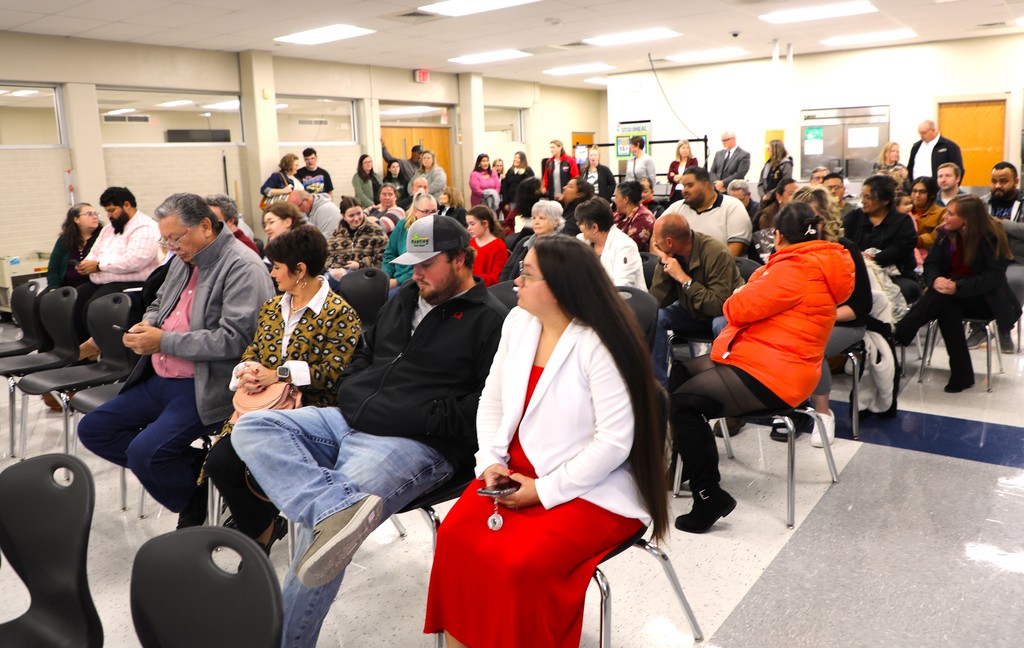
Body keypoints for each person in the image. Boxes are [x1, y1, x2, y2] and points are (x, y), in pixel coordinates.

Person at [231, 215, 508, 648]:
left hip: (417, 443)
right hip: (352, 418)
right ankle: (333, 509)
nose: (414, 274)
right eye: (410, 264)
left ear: (459, 259)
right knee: (253, 427)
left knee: (319, 538)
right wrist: (353, 391)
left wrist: (414, 414)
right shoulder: (404, 300)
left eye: (426, 264)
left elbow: (487, 408)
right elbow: (364, 353)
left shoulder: (492, 321)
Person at [423, 235, 668, 648]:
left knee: (519, 565)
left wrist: (544, 490)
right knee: (454, 539)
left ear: (558, 288)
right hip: (514, 473)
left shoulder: (599, 344)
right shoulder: (519, 323)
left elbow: (612, 444)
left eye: (527, 274)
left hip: (588, 485)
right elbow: (492, 400)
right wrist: (489, 463)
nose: (515, 281)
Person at [77, 193, 274, 529]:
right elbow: (158, 304)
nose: (171, 247)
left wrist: (164, 340)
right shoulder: (185, 260)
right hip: (161, 378)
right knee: (95, 429)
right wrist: (149, 324)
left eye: (175, 238)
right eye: (165, 239)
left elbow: (236, 339)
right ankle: (208, 482)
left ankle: (204, 497)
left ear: (206, 227)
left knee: (146, 453)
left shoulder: (243, 266)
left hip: (205, 383)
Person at [670, 202, 854, 533]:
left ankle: (708, 495)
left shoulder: (793, 268)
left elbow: (735, 307)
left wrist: (746, 288)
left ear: (779, 235)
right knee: (681, 372)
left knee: (683, 405)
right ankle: (687, 462)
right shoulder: (817, 262)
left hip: (775, 374)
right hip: (771, 361)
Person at [205, 225, 361, 555]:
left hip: (311, 414)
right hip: (263, 407)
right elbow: (254, 351)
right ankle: (263, 525)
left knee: (255, 465)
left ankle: (258, 538)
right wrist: (247, 371)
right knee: (220, 462)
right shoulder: (273, 308)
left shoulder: (340, 314)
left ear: (300, 270)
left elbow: (332, 374)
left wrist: (275, 374)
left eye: (277, 267)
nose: (272, 273)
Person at [894, 195, 1020, 391]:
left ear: (968, 219)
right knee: (948, 309)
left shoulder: (991, 237)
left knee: (945, 295)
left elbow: (991, 278)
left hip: (985, 298)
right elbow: (932, 264)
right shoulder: (945, 234)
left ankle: (901, 331)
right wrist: (936, 280)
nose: (945, 217)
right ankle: (962, 374)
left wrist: (956, 287)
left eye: (951, 214)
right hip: (951, 295)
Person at [785, 185, 872, 446]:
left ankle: (823, 413)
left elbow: (861, 305)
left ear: (825, 216)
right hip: (801, 321)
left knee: (812, 344)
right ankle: (788, 406)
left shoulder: (844, 248)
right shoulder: (792, 248)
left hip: (845, 321)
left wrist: (821, 316)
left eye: (812, 215)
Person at [649, 211, 741, 386]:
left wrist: (684, 279)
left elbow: (717, 305)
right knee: (656, 317)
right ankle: (659, 388)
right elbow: (657, 301)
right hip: (691, 310)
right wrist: (664, 263)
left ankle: (726, 386)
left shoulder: (715, 252)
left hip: (723, 313)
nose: (654, 244)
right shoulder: (673, 255)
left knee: (719, 324)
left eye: (657, 239)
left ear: (669, 241)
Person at [75, 186, 161, 333]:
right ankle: (80, 352)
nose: (108, 216)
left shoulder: (145, 227)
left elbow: (135, 261)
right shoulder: (109, 229)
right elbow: (94, 252)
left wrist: (99, 266)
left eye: (112, 210)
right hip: (102, 281)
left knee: (93, 308)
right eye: (107, 211)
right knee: (74, 303)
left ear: (126, 205)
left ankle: (101, 349)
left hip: (130, 283)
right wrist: (86, 264)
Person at [842, 174, 919, 302]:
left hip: (896, 275)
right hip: (859, 273)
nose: (862, 201)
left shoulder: (902, 222)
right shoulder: (854, 217)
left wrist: (873, 258)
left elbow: (899, 250)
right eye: (863, 196)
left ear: (885, 201)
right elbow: (843, 241)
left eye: (868, 198)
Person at [663, 167, 752, 257]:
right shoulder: (677, 208)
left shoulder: (733, 207)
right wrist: (665, 259)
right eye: (683, 186)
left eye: (690, 185)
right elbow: (655, 237)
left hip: (720, 268)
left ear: (705, 185)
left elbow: (734, 251)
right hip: (679, 267)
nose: (684, 190)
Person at [575, 197, 645, 290]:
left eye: (580, 223)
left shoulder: (625, 246)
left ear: (594, 227)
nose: (578, 226)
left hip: (623, 301)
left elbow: (623, 287)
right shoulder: (582, 241)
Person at [383, 191, 437, 292]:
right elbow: (390, 254)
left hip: (418, 280)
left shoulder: (437, 228)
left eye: (434, 212)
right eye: (426, 211)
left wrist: (397, 281)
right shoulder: (403, 225)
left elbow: (425, 265)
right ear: (416, 211)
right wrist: (386, 277)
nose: (430, 216)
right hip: (395, 279)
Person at [500, 200, 565, 282]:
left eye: (541, 218)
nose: (536, 222)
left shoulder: (561, 245)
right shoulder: (524, 242)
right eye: (534, 218)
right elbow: (507, 269)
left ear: (555, 222)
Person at [326, 197, 388, 278]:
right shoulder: (336, 234)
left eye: (359, 213)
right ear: (343, 216)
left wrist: (360, 264)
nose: (356, 218)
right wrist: (336, 265)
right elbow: (326, 256)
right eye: (351, 216)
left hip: (368, 276)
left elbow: (384, 258)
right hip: (339, 274)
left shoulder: (376, 231)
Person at [47, 203, 102, 293]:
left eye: (96, 214)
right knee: (42, 300)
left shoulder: (102, 236)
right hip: (65, 285)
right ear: (76, 219)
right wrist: (54, 288)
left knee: (76, 298)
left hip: (93, 285)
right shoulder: (64, 239)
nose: (95, 217)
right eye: (89, 214)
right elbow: (53, 268)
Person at [466, 205, 509, 286]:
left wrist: (470, 278)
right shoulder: (469, 243)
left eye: (472, 224)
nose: (468, 228)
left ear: (485, 223)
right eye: (468, 224)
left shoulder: (498, 246)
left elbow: (497, 278)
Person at [909, 176, 945, 263]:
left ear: (932, 194)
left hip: (930, 258)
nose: (917, 195)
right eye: (914, 191)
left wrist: (916, 240)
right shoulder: (903, 211)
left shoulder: (942, 212)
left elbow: (939, 237)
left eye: (922, 192)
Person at [612, 180, 655, 252]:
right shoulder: (619, 214)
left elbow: (628, 248)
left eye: (616, 197)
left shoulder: (644, 218)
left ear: (625, 199)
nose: (614, 201)